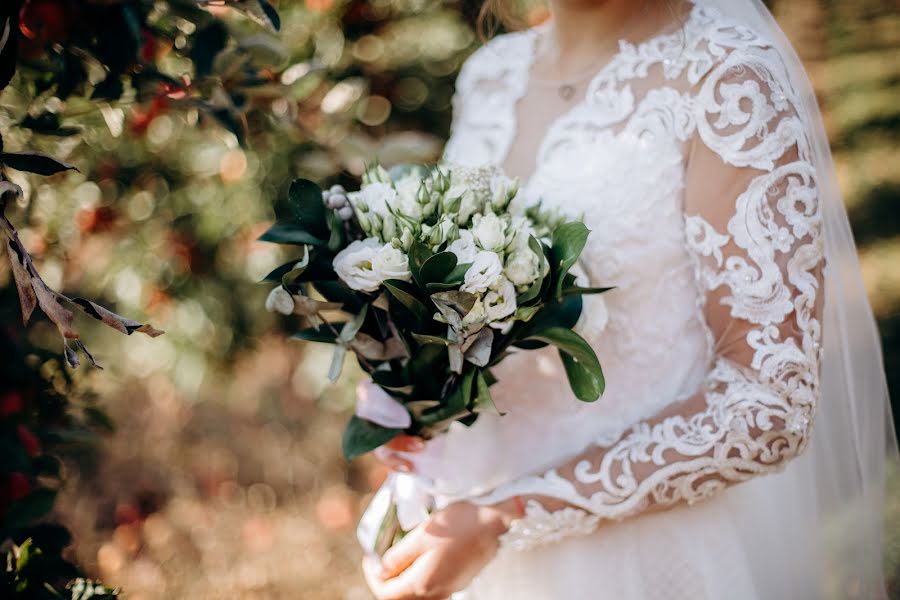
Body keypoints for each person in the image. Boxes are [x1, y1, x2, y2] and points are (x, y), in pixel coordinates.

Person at [359, 1, 896, 598]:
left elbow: (768, 405)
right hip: (462, 538)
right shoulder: (490, 73)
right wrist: (413, 393)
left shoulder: (727, 78)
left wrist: (509, 516)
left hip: (649, 556)